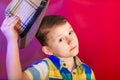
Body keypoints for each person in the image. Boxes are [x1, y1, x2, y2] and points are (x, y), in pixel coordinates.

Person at [1, 15, 96, 80]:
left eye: (70, 33)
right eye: (60, 39)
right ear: (48, 50)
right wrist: (12, 40)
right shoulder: (45, 68)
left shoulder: (87, 71)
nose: (70, 41)